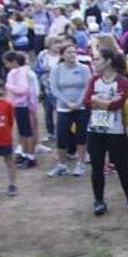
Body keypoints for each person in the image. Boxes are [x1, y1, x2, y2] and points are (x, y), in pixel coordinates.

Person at [84, 48, 128, 216]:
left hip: (115, 131)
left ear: (108, 61)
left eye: (97, 59)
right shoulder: (94, 80)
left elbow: (118, 104)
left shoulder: (121, 81)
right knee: (97, 166)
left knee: (122, 166)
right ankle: (98, 200)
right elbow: (86, 101)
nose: (94, 62)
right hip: (95, 130)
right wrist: (106, 101)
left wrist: (96, 100)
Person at [47, 43, 92, 178]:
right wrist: (68, 103)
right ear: (62, 55)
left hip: (81, 107)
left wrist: (79, 102)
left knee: (81, 135)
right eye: (68, 52)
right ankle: (62, 164)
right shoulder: (56, 69)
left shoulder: (83, 68)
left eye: (74, 52)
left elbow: (87, 86)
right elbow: (54, 88)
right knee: (61, 135)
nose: (72, 55)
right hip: (63, 107)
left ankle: (81, 163)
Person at [3, 51, 37, 169]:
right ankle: (24, 154)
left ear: (15, 62)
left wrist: (8, 86)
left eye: (7, 63)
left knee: (27, 132)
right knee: (22, 132)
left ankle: (30, 156)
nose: (6, 65)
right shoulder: (14, 73)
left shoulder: (24, 73)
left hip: (25, 106)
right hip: (18, 106)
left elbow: (24, 90)